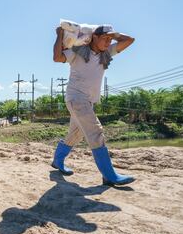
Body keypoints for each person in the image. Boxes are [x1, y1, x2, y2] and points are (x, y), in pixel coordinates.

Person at [52, 24, 135, 186]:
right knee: (95, 131)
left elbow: (130, 40)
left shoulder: (106, 53)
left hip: (87, 102)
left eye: (109, 39)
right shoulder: (78, 52)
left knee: (76, 134)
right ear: (94, 37)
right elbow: (57, 57)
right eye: (105, 38)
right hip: (76, 99)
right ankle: (109, 175)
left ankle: (57, 161)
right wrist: (60, 35)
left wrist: (113, 34)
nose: (108, 42)